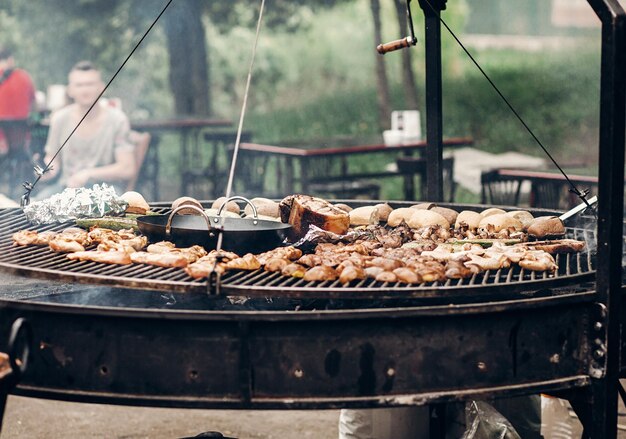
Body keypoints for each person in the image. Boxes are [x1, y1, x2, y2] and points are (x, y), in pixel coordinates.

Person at [37, 61, 135, 197]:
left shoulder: (117, 119)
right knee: (35, 202)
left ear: (102, 87)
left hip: (106, 192)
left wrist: (88, 174)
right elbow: (53, 160)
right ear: (70, 90)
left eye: (90, 84)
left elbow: (127, 168)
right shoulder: (59, 119)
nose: (85, 89)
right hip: (66, 189)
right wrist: (43, 169)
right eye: (79, 85)